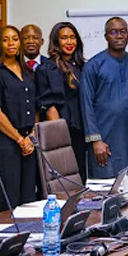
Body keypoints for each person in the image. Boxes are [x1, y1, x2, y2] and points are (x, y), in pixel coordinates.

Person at [0, 25, 38, 212]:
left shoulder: (27, 71)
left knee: (29, 198)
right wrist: (19, 139)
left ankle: (30, 240)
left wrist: (30, 136)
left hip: (28, 143)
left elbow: (34, 106)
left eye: (15, 38)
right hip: (5, 143)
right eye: (5, 40)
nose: (11, 43)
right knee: (7, 198)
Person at [81, 17, 128, 178]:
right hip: (104, 141)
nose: (119, 36)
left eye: (123, 31)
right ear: (106, 36)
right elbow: (86, 105)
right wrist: (96, 140)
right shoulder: (93, 66)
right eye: (113, 32)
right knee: (105, 192)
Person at [36, 22, 88, 183]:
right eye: (64, 38)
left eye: (72, 38)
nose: (69, 42)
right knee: (65, 179)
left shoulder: (81, 66)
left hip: (81, 129)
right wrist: (61, 137)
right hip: (63, 131)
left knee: (81, 177)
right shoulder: (48, 68)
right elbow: (50, 105)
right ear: (56, 41)